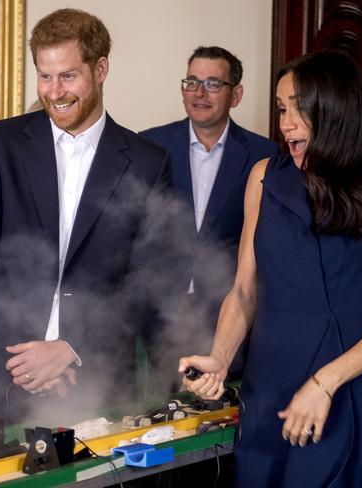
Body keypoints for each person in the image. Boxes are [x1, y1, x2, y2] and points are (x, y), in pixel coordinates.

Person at [179, 50, 362, 487]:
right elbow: (244, 291)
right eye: (281, 108)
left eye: (299, 107)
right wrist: (219, 357)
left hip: (349, 385)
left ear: (335, 108)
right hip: (270, 387)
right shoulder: (263, 176)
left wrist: (325, 383)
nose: (286, 122)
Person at [0, 8, 172, 422]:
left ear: (101, 68)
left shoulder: (149, 161)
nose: (54, 92)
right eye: (45, 76)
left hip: (100, 381)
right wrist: (31, 359)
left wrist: (70, 350)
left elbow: (150, 276)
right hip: (4, 377)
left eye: (68, 76)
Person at [140, 46, 278, 388]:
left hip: (229, 320)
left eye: (213, 83)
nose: (199, 93)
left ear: (237, 94)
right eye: (192, 82)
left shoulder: (266, 156)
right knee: (156, 424)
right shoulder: (148, 146)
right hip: (158, 319)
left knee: (220, 425)